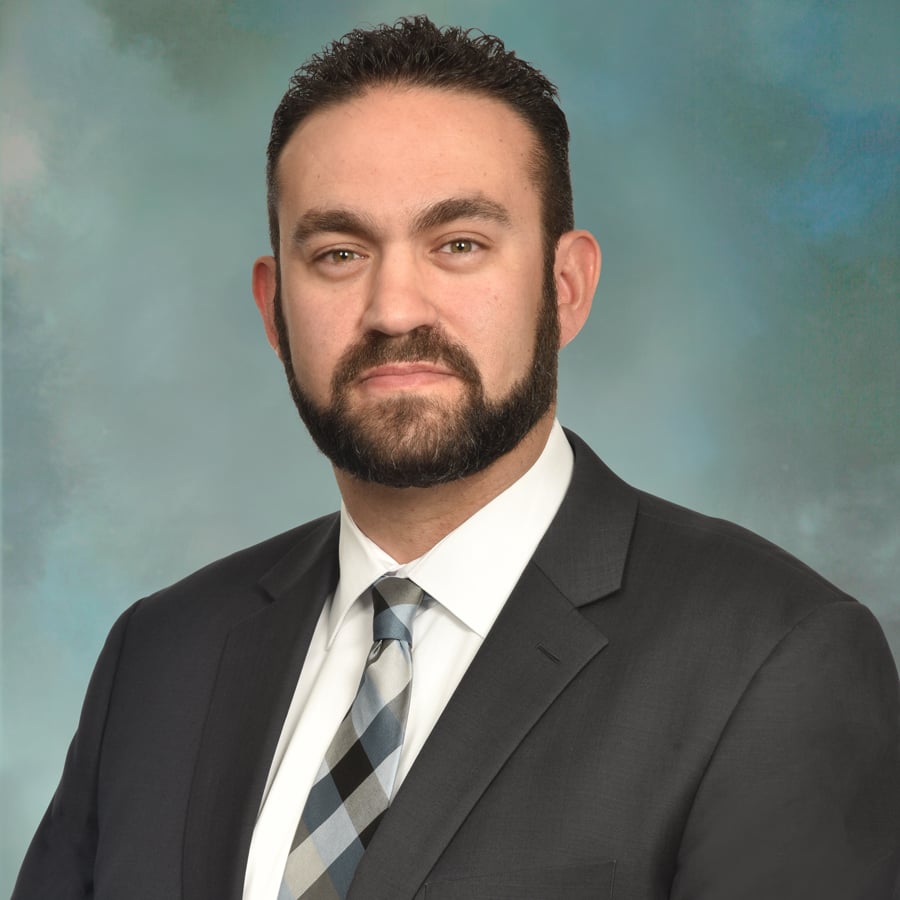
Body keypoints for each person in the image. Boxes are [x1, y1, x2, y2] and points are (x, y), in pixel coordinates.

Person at [13, 16, 900, 900]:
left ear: (567, 288)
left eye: (460, 244)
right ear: (274, 308)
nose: (395, 307)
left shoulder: (775, 659)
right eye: (338, 253)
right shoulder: (159, 655)